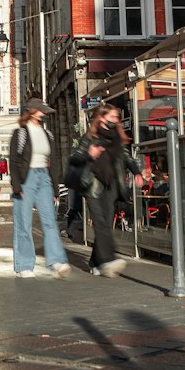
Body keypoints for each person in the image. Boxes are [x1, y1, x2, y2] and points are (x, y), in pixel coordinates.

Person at [66, 102, 141, 278]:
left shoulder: (117, 137)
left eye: (117, 117)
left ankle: (95, 262)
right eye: (113, 116)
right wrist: (88, 154)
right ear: (102, 117)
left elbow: (127, 157)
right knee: (100, 223)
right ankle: (108, 260)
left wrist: (136, 172)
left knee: (105, 224)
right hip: (93, 184)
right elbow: (74, 158)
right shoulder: (90, 137)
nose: (116, 120)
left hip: (112, 185)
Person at [9, 99, 69, 278]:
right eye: (42, 110)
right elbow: (14, 161)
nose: (44, 113)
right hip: (26, 179)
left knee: (50, 221)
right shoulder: (20, 134)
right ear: (32, 111)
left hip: (44, 179)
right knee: (23, 223)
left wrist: (56, 188)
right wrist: (17, 185)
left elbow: (54, 162)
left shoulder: (47, 134)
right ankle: (24, 266)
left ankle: (56, 262)